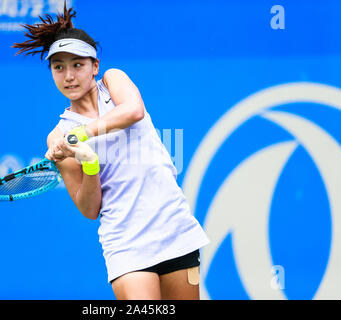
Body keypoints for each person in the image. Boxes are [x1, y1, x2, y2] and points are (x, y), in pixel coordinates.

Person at [12, 3, 210, 300]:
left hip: (174, 228)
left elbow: (134, 111)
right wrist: (89, 164)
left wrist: (83, 134)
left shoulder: (114, 81)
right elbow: (89, 209)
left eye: (78, 64)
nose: (69, 76)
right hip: (126, 243)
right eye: (59, 67)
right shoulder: (57, 136)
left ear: (95, 66)